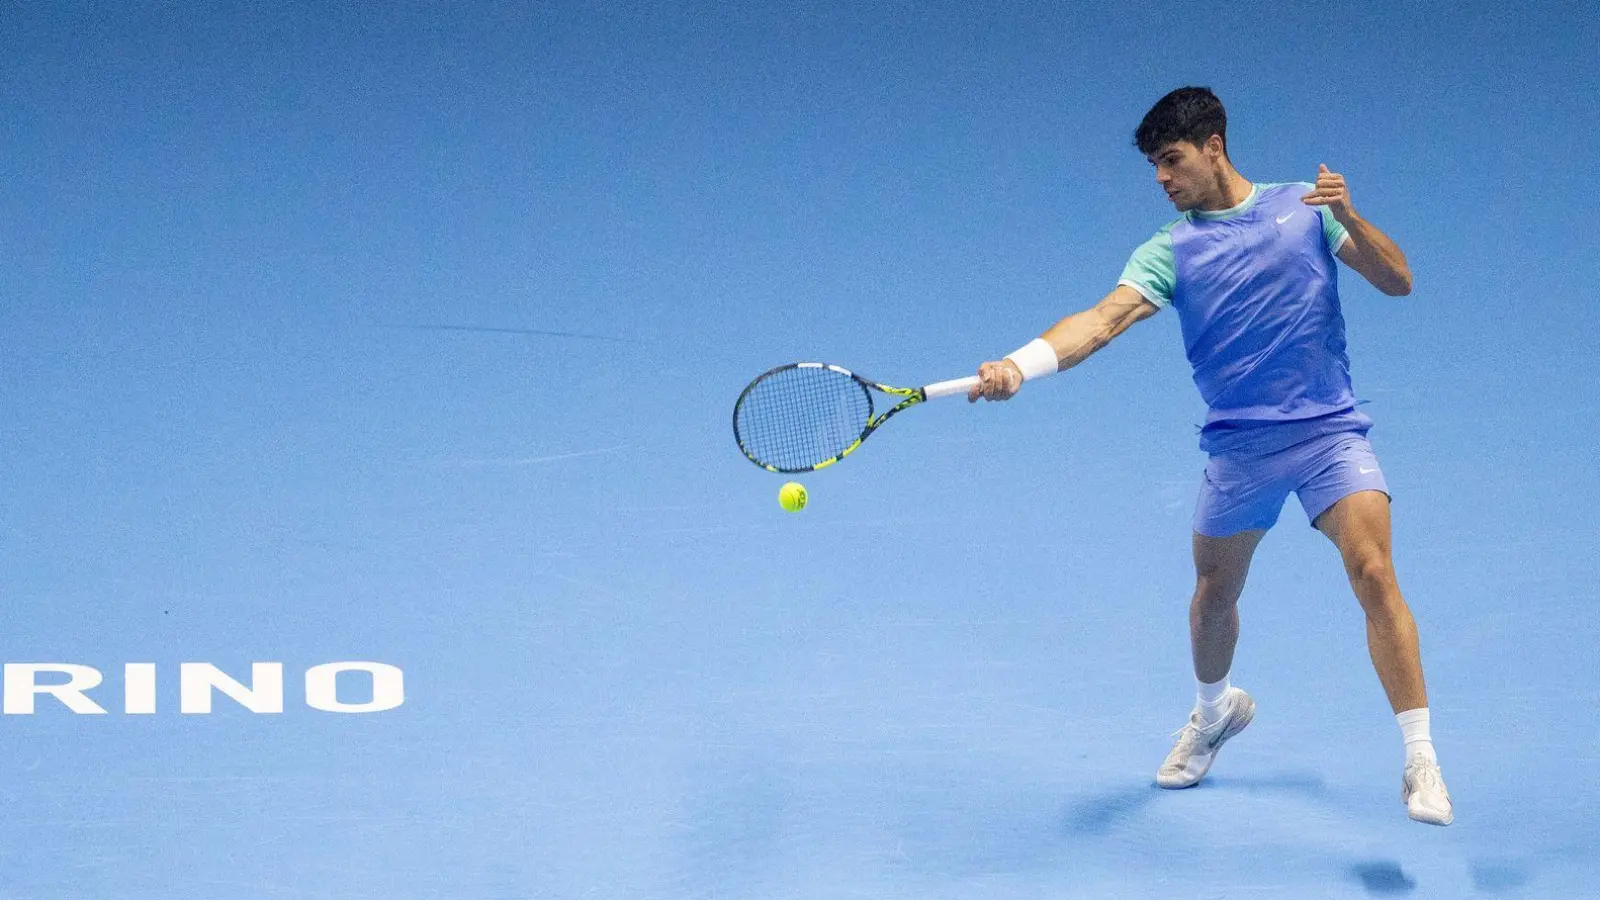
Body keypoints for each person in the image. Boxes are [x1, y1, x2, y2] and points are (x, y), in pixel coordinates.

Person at [967, 86, 1451, 825]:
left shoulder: (1306, 209)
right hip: (1239, 449)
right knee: (1213, 598)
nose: (1162, 179)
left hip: (1328, 434)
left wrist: (1349, 215)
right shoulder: (1170, 249)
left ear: (1213, 146)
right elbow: (1100, 322)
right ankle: (1214, 710)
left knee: (1375, 571)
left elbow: (1398, 279)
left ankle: (1420, 757)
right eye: (1155, 166)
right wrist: (1017, 365)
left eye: (1171, 160)